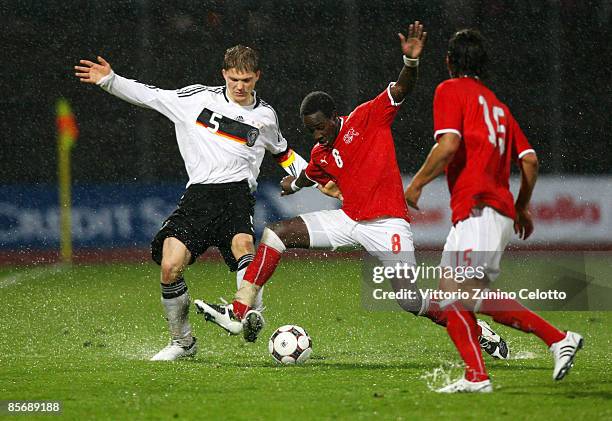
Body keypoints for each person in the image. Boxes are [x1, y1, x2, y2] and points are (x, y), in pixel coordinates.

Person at [196, 22, 509, 360]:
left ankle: (479, 331)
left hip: (389, 224)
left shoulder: (367, 118)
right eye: (310, 130)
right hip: (349, 220)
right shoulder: (321, 152)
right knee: (275, 233)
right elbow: (309, 175)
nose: (316, 135)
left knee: (410, 301)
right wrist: (293, 183)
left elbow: (401, 89)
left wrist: (411, 62)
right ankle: (240, 310)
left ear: (335, 117)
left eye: (320, 127)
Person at [74, 45, 311, 360]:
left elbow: (283, 153)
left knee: (243, 246)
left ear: (257, 77)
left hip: (237, 195)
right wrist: (110, 80)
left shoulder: (265, 116)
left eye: (247, 80)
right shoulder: (196, 100)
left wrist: (318, 177)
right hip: (198, 196)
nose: (240, 87)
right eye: (234, 79)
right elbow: (151, 95)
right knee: (170, 266)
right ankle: (183, 343)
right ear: (224, 74)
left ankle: (251, 311)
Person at [404, 29, 583, 393]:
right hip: (491, 212)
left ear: (449, 61)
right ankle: (476, 376)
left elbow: (449, 144)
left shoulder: (449, 90)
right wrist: (521, 207)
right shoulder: (498, 107)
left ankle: (557, 338)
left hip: (478, 208)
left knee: (462, 295)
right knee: (450, 295)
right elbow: (530, 162)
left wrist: (419, 181)